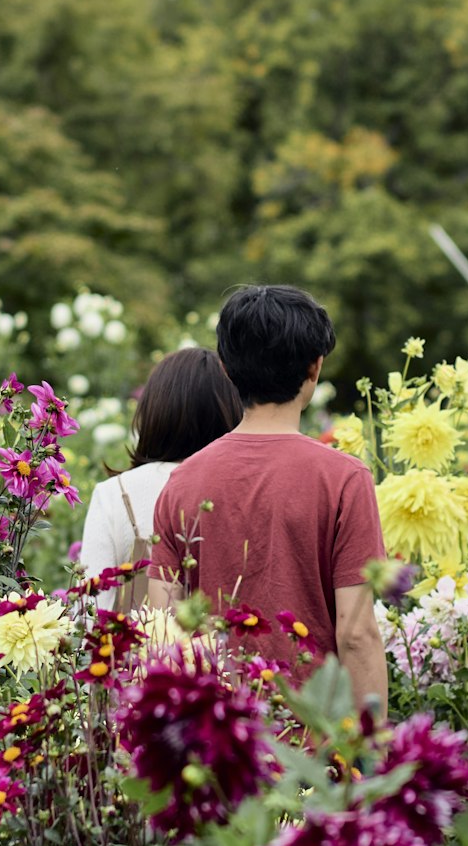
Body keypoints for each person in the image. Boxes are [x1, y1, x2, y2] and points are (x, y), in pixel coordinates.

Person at [151, 284, 389, 717]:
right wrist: (370, 758)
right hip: (315, 750)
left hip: (216, 741)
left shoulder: (183, 482)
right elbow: (356, 635)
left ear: (225, 368)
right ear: (315, 368)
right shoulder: (345, 479)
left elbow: (162, 630)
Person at [77, 345, 241, 574]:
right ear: (232, 410)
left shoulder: (114, 493)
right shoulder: (246, 486)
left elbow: (91, 601)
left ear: (153, 410)